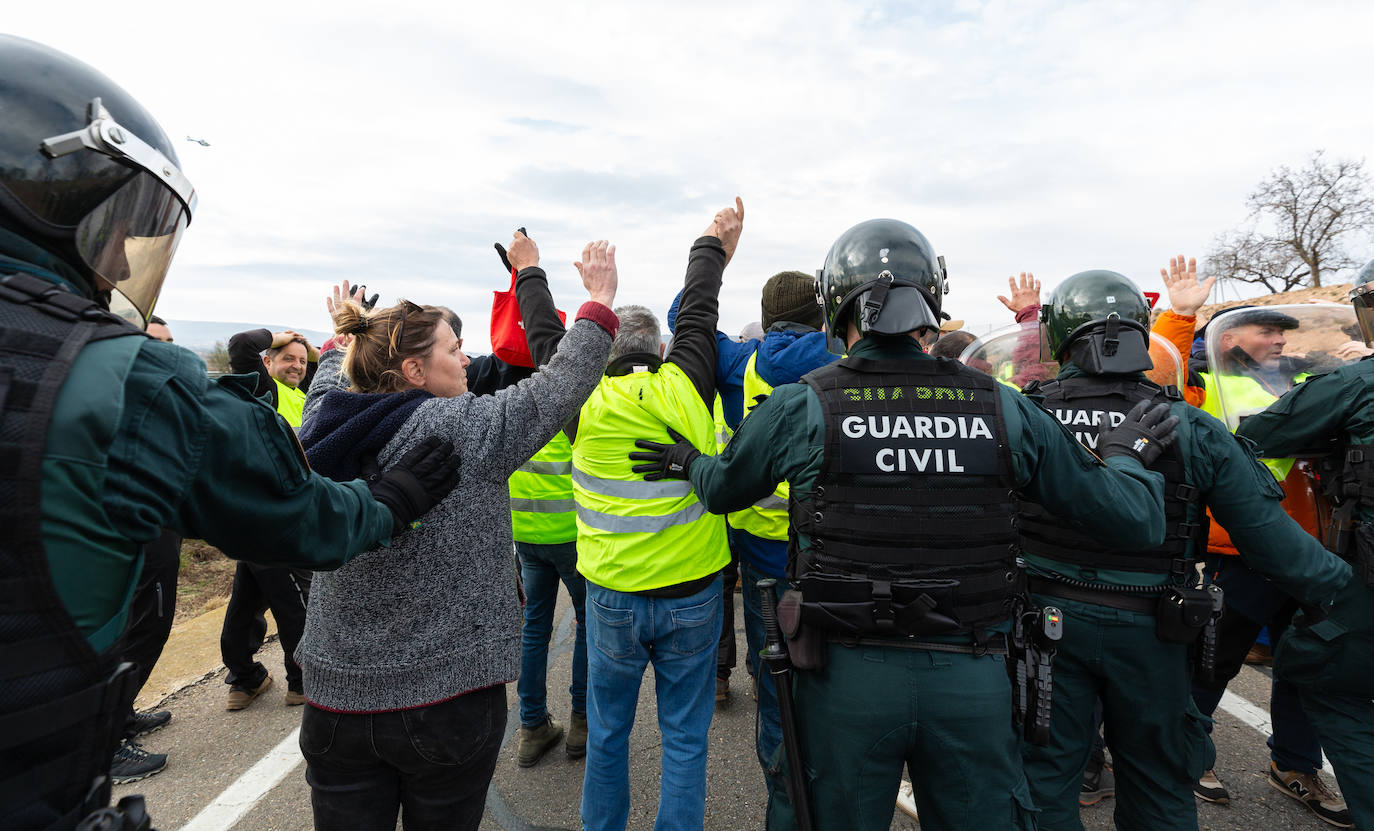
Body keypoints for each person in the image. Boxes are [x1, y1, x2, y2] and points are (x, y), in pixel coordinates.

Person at [0, 35, 461, 831]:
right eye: (114, 223)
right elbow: (298, 519)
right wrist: (392, 496)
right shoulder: (119, 377)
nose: (118, 253)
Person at [631, 218, 1177, 831]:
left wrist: (684, 459)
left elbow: (723, 490)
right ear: (933, 302)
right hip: (974, 676)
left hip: (843, 681)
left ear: (837, 303)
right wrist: (1125, 454)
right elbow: (1131, 516)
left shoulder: (804, 401)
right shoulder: (1002, 406)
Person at [294, 234, 619, 831]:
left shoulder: (325, 422)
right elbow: (558, 387)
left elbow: (329, 384)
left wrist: (347, 338)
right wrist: (599, 302)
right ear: (415, 370)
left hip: (334, 699)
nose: (465, 359)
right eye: (452, 349)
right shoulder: (463, 429)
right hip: (444, 701)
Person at [1015, 269, 1352, 831]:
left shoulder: (1026, 415)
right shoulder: (1190, 425)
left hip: (1044, 627)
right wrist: (1350, 597)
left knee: (1045, 782)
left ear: (1059, 335)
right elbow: (1279, 551)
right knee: (1160, 782)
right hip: (1155, 629)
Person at [573, 200, 741, 831]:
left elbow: (542, 339)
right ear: (662, 347)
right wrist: (711, 246)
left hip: (613, 596)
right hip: (694, 596)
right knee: (685, 740)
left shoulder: (581, 398)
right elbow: (700, 311)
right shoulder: (687, 386)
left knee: (609, 737)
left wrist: (544, 280)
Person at [1183, 301, 1348, 823]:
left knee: (1304, 666)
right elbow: (1162, 387)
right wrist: (1181, 322)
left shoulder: (1307, 379)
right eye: (1267, 330)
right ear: (1229, 338)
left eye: (1282, 331)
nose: (1278, 339)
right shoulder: (1206, 382)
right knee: (1213, 661)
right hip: (1245, 552)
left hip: (1312, 550)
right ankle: (1189, 755)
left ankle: (1295, 764)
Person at [1236, 257, 1374, 830]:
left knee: (1318, 664)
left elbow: (1257, 433)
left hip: (1357, 576)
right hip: (1297, 554)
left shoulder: (1355, 381)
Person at [217, 326, 323, 710]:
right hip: (276, 520)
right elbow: (242, 345)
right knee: (294, 601)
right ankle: (302, 682)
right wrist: (277, 335)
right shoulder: (265, 392)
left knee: (246, 601)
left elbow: (315, 375)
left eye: (300, 361)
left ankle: (244, 680)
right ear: (268, 362)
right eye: (286, 359)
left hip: (266, 517)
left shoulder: (299, 395)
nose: (296, 366)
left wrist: (309, 353)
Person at [110, 317, 181, 784]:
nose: (167, 354)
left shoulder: (157, 394)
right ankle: (105, 740)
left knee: (150, 622)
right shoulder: (115, 394)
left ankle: (120, 711)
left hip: (158, 519)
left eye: (171, 345)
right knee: (142, 624)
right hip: (133, 526)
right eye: (156, 344)